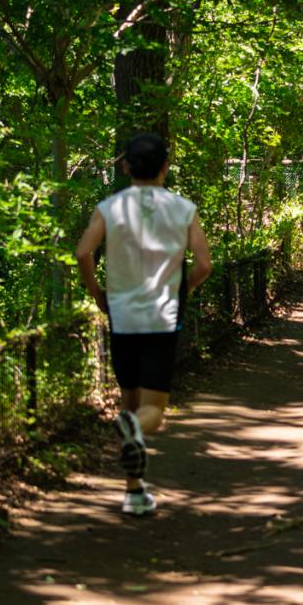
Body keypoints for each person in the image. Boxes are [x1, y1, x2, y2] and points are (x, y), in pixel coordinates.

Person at [75, 133, 212, 516]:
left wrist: (97, 292)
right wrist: (184, 288)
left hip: (121, 315)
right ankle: (134, 448)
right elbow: (204, 264)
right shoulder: (183, 209)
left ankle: (134, 491)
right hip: (162, 316)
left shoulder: (109, 208)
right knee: (152, 412)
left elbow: (84, 251)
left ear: (126, 167)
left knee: (128, 399)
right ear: (165, 168)